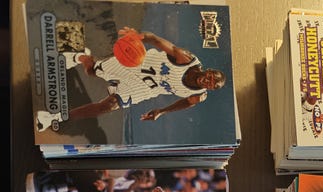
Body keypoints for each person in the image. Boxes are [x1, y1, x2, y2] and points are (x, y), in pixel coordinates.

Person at [35, 26, 226, 132]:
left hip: (145, 88)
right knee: (91, 71)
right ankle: (81, 56)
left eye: (211, 84)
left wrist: (162, 111)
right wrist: (138, 36)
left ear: (210, 89)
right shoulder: (185, 59)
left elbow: (187, 102)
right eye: (210, 77)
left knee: (108, 106)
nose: (208, 81)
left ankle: (54, 117)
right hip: (138, 64)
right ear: (208, 71)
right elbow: (155, 39)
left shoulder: (198, 95)